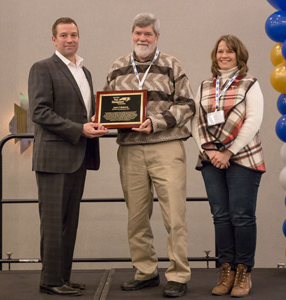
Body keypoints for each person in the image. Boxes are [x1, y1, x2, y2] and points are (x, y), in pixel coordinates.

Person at [104, 13, 195, 298]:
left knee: (174, 215)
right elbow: (107, 103)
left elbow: (187, 104)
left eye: (148, 34)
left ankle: (178, 275)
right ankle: (145, 271)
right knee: (137, 216)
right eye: (138, 33)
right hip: (129, 148)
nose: (142, 38)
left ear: (156, 37)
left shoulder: (171, 65)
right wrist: (101, 118)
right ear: (132, 34)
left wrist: (156, 122)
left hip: (166, 145)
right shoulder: (118, 66)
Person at [28, 17, 108, 296]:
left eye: (73, 34)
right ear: (54, 39)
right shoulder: (42, 68)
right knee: (52, 222)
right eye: (63, 35)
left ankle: (63, 276)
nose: (69, 39)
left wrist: (96, 120)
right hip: (54, 157)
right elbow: (38, 112)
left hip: (78, 155)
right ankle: (50, 281)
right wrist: (79, 128)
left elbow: (83, 112)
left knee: (69, 222)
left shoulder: (84, 72)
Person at [191, 35, 266, 298]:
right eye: (220, 51)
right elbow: (196, 120)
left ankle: (244, 272)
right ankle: (226, 270)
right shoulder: (203, 85)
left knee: (242, 215)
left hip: (244, 158)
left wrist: (229, 152)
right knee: (221, 216)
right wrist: (208, 150)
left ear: (239, 55)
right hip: (211, 158)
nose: (224, 55)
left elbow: (253, 121)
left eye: (230, 51)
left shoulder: (250, 84)